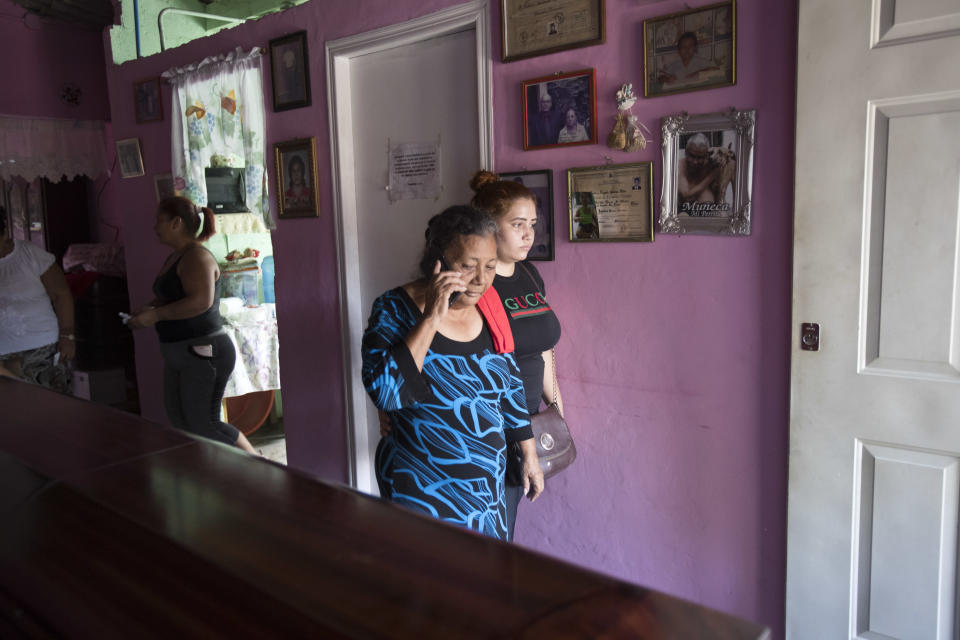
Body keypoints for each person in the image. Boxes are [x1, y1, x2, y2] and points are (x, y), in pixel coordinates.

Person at [362, 205, 544, 541]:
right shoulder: (393, 308)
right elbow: (386, 392)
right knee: (429, 586)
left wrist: (529, 453)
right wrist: (431, 318)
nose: (480, 280)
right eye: (467, 266)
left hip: (486, 491)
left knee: (485, 587)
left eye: (489, 267)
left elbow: (509, 385)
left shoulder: (490, 307)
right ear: (438, 261)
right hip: (421, 487)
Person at [470, 171, 564, 541]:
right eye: (518, 224)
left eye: (533, 224)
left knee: (505, 527)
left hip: (529, 420)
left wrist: (556, 408)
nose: (529, 234)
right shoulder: (476, 282)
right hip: (492, 427)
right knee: (490, 532)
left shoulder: (530, 275)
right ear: (490, 227)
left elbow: (544, 348)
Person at [128, 196, 257, 455]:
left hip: (204, 351)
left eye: (159, 221)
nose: (155, 227)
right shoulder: (178, 256)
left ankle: (260, 465)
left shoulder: (197, 257)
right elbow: (173, 296)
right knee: (181, 422)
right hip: (180, 352)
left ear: (176, 223)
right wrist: (149, 309)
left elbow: (200, 302)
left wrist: (156, 316)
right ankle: (212, 475)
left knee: (205, 424)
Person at [0, 207, 75, 392]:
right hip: (3, 357)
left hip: (42, 351)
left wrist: (67, 335)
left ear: (4, 233)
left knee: (51, 411)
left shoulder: (28, 254)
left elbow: (61, 294)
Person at [677, 133, 721, 214]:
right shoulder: (680, 166)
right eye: (692, 156)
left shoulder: (711, 166)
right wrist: (712, 176)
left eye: (700, 157)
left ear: (707, 156)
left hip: (704, 214)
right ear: (686, 152)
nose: (695, 161)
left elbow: (719, 198)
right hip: (681, 210)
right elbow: (687, 196)